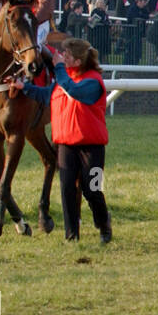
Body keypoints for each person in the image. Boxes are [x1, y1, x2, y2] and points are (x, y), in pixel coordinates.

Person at [10, 37, 112, 244]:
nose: (61, 58)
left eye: (66, 56)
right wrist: (25, 88)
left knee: (92, 190)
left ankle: (103, 224)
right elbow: (49, 95)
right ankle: (71, 235)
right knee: (67, 189)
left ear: (78, 61)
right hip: (66, 145)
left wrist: (58, 69)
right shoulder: (64, 80)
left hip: (92, 148)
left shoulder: (92, 82)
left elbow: (72, 91)